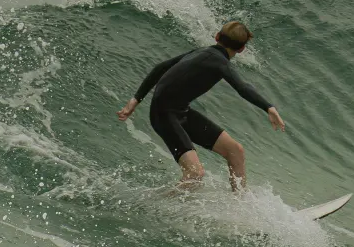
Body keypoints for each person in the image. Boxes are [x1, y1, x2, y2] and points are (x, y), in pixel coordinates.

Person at [117, 21, 285, 191]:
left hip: (180, 111)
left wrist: (136, 99)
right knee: (195, 174)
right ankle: (155, 207)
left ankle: (239, 206)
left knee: (236, 151)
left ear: (217, 37)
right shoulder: (220, 63)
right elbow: (242, 87)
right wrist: (269, 107)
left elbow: (160, 68)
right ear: (241, 49)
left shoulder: (201, 52)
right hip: (164, 115)